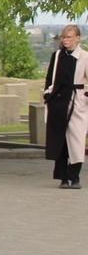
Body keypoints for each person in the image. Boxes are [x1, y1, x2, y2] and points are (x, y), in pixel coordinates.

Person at [43, 24, 88, 188]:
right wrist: (47, 95)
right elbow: (50, 79)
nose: (65, 40)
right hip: (58, 101)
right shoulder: (57, 56)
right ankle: (63, 177)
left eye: (69, 37)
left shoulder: (85, 57)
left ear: (77, 38)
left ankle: (74, 177)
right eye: (64, 37)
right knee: (60, 139)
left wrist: (84, 96)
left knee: (76, 139)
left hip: (77, 102)